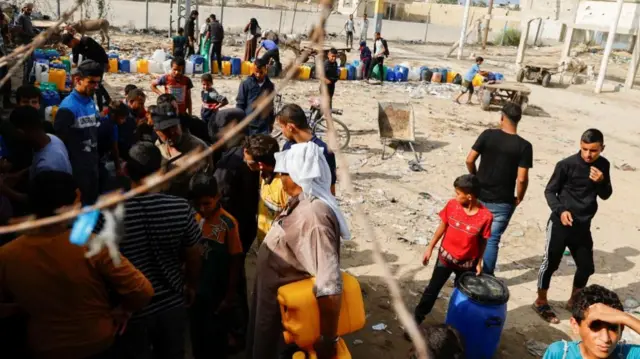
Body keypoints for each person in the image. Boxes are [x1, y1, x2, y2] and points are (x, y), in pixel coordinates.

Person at [0, 170, 154, 359]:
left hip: (44, 346)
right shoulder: (91, 244)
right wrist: (124, 310)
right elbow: (142, 290)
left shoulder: (7, 254)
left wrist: (24, 306)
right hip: (97, 342)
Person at [246, 142, 350, 359]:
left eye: (282, 173)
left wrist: (327, 338)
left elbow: (329, 287)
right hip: (274, 302)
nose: (280, 179)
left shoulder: (314, 216)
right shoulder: (300, 203)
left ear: (295, 176)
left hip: (287, 318)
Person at [105, 142, 202, 359]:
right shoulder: (181, 207)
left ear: (125, 170)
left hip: (131, 309)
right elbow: (194, 254)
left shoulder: (108, 216)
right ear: (161, 171)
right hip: (172, 304)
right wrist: (191, 285)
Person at [533, 129, 613, 324]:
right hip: (560, 224)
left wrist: (601, 181)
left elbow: (606, 194)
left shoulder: (603, 165)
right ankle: (541, 301)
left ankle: (573, 301)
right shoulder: (566, 165)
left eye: (593, 150)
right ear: (580, 145)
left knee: (586, 267)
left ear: (602, 148)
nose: (588, 154)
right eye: (585, 149)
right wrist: (561, 211)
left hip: (583, 226)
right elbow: (550, 191)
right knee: (550, 263)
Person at [413, 174, 493, 325]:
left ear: (469, 196)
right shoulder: (452, 206)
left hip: (467, 264)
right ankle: (417, 318)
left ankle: (454, 324)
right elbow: (442, 227)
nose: (455, 197)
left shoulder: (485, 217)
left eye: (458, 194)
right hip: (445, 258)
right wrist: (430, 247)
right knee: (432, 289)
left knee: (461, 296)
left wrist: (479, 261)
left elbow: (483, 240)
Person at [465, 103, 532, 275]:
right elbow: (522, 178)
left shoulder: (488, 135)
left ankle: (465, 270)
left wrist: (475, 178)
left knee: (472, 233)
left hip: (479, 195)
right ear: (519, 120)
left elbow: (470, 160)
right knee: (492, 239)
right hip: (503, 201)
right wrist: (520, 197)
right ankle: (486, 275)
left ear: (502, 117)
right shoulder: (524, 146)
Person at [188, 174, 244, 359]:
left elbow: (236, 260)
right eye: (199, 204)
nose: (202, 209)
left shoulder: (228, 223)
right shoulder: (193, 219)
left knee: (216, 338)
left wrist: (229, 295)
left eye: (207, 203)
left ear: (217, 197)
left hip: (218, 292)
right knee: (197, 336)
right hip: (197, 290)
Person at [543, 285, 640, 359]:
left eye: (613, 328)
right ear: (575, 325)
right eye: (595, 327)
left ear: (621, 329)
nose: (605, 338)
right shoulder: (560, 354)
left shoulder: (629, 355)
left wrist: (625, 318)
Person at [54, 60, 103, 205]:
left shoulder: (90, 100)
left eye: (98, 83)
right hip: (77, 171)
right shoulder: (68, 108)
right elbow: (59, 143)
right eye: (92, 82)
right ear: (78, 80)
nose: (96, 86)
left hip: (92, 165)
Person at [153, 102, 213, 198]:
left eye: (174, 126)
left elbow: (205, 185)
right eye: (166, 130)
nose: (172, 132)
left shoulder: (199, 149)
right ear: (156, 131)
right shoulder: (156, 147)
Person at [278, 103, 337, 194]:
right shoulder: (288, 146)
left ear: (290, 127)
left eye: (282, 127)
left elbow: (330, 186)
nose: (282, 131)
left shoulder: (322, 151)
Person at [242, 134, 286, 245]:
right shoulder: (263, 174)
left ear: (261, 165)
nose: (245, 162)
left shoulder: (283, 185)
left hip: (278, 245)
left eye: (249, 162)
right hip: (265, 241)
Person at [11, 106, 71, 181]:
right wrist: (20, 174)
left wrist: (5, 189)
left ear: (21, 132)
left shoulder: (47, 167)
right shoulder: (52, 138)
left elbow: (43, 193)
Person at [61, 33, 111, 111]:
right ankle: (107, 99)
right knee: (95, 84)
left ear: (73, 39)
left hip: (100, 63)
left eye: (68, 44)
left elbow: (101, 50)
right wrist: (73, 74)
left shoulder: (87, 41)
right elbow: (75, 62)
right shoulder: (75, 48)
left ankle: (100, 108)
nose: (69, 46)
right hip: (90, 66)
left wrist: (107, 63)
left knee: (96, 86)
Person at [236, 58, 275, 135]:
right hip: (249, 124)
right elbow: (240, 104)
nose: (258, 75)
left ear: (265, 70)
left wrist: (271, 123)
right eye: (256, 72)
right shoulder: (246, 84)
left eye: (261, 72)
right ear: (253, 70)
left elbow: (270, 106)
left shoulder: (270, 86)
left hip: (264, 125)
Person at [97, 100, 126, 191]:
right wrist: (118, 169)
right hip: (97, 158)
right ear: (114, 115)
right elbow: (115, 149)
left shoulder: (101, 118)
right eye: (122, 118)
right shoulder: (112, 127)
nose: (124, 121)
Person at [15, 3, 37, 85]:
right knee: (27, 64)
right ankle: (25, 83)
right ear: (24, 8)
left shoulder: (28, 17)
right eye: (28, 9)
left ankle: (27, 80)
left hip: (30, 42)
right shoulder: (20, 17)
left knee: (31, 63)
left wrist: (36, 32)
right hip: (24, 43)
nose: (30, 11)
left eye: (31, 9)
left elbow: (30, 28)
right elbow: (18, 30)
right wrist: (29, 34)